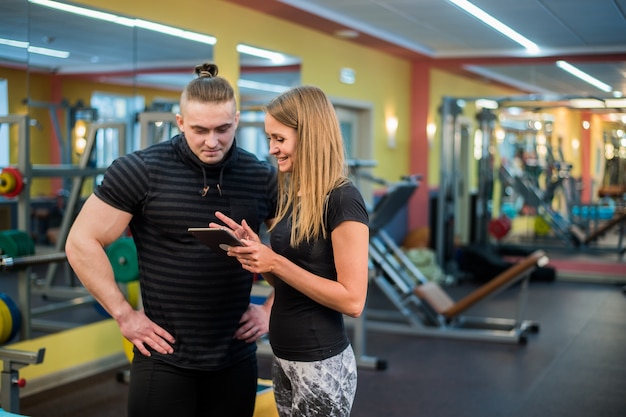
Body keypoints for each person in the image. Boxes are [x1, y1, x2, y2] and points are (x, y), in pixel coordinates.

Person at [65, 62, 277, 417]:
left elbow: (300, 250)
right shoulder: (141, 170)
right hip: (163, 359)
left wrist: (272, 310)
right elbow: (81, 241)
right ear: (180, 123)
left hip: (236, 358)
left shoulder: (260, 176)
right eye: (200, 130)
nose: (212, 141)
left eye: (223, 129)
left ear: (237, 120)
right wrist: (124, 315)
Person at [212, 85, 370, 417]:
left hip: (321, 360)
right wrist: (257, 254)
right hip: (284, 354)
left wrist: (277, 263)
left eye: (279, 139)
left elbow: (353, 300)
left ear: (309, 136)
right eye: (270, 139)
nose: (272, 149)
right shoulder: (294, 195)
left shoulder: (342, 199)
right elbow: (285, 282)